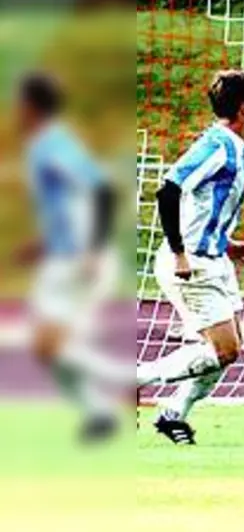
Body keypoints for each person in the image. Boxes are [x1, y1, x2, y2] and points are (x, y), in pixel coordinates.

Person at [135, 70, 244, 445]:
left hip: (215, 257)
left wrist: (230, 243)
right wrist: (179, 253)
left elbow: (205, 208)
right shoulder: (217, 146)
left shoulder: (236, 146)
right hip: (191, 264)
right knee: (225, 349)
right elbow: (168, 191)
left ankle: (174, 414)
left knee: (230, 347)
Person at [15, 70, 124, 442]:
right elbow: (66, 203)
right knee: (48, 347)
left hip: (76, 261)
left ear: (29, 106)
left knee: (50, 344)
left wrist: (93, 248)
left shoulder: (51, 144)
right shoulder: (48, 144)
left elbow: (102, 191)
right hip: (63, 255)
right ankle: (99, 412)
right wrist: (41, 244)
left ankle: (126, 384)